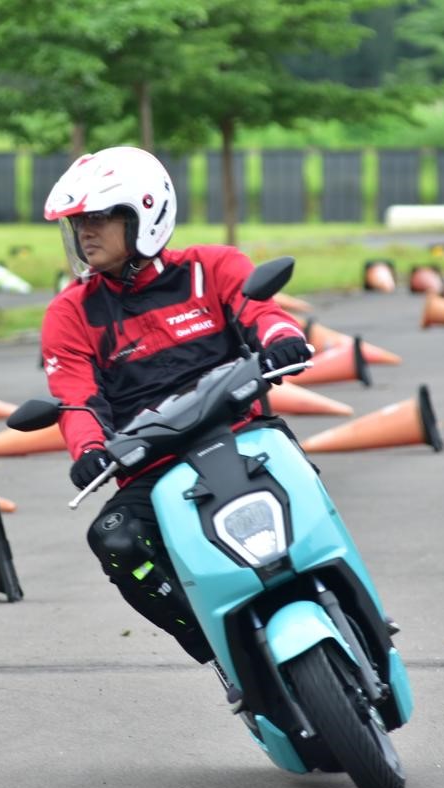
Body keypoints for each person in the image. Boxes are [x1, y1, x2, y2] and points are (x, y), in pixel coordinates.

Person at [40, 146, 312, 708]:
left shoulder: (212, 267)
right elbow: (75, 396)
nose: (83, 234)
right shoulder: (70, 312)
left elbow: (261, 310)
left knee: (306, 503)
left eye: (97, 218)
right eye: (77, 223)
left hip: (245, 439)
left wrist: (282, 338)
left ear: (143, 215)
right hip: (153, 470)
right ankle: (220, 652)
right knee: (115, 540)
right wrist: (89, 450)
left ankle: (352, 595)